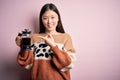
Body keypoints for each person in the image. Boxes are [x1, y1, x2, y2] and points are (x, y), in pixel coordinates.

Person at [15, 3, 76, 80]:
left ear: (58, 19)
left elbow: (68, 65)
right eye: (45, 18)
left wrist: (54, 47)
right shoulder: (34, 37)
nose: (49, 21)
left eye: (52, 17)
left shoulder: (66, 37)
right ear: (41, 20)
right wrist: (23, 46)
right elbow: (27, 64)